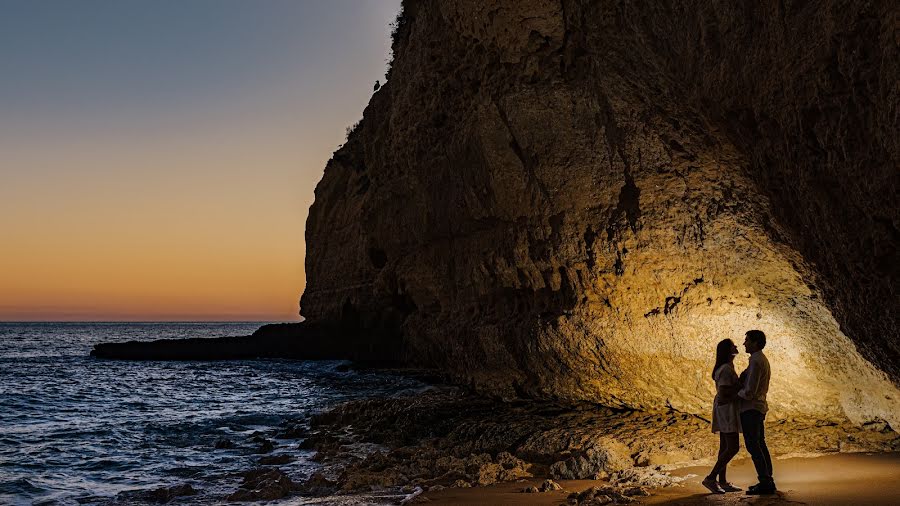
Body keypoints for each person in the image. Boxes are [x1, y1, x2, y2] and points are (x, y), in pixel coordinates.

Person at [701, 339, 743, 494]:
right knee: (732, 447)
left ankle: (723, 481)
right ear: (728, 350)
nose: (737, 346)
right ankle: (711, 478)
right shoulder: (726, 369)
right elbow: (724, 393)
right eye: (733, 345)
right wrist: (741, 388)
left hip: (724, 408)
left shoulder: (727, 366)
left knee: (724, 447)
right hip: (726, 410)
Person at [738, 329, 776, 495]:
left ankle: (765, 481)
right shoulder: (761, 359)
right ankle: (768, 480)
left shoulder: (756, 361)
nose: (744, 343)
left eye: (747, 340)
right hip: (758, 407)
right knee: (760, 443)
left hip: (751, 408)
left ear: (755, 342)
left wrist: (734, 394)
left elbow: (750, 392)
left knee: (754, 445)